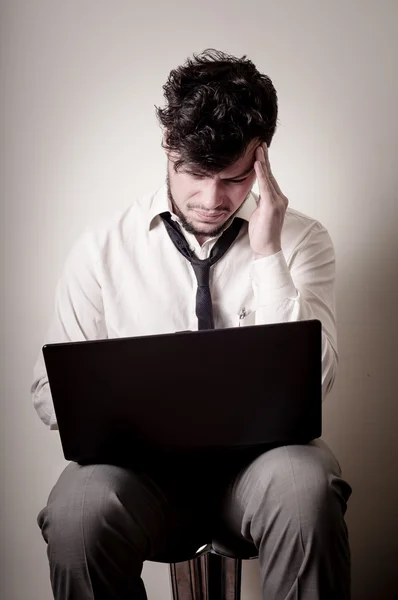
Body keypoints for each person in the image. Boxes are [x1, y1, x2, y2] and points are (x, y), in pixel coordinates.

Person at [31, 49, 352, 600]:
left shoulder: (304, 240)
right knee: (77, 508)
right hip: (142, 478)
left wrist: (267, 252)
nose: (211, 199)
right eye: (193, 174)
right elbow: (46, 394)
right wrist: (127, 398)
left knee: (307, 487)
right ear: (168, 148)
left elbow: (315, 385)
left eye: (234, 177)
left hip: (262, 473)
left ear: (262, 155)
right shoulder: (102, 247)